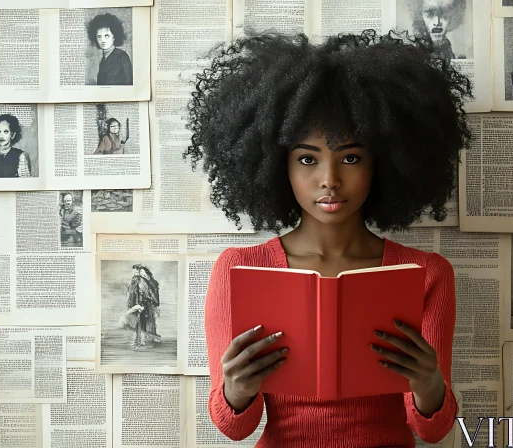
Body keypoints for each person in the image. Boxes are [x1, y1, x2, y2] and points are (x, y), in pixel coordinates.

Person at [187, 29, 470, 446]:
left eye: (351, 158)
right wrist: (236, 389)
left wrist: (430, 383)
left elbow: (433, 429)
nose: (330, 180)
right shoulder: (239, 269)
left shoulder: (426, 273)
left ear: (385, 163)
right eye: (307, 159)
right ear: (274, 165)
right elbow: (235, 428)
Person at [118, 264, 161, 349]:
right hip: (139, 304)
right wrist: (134, 304)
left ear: (145, 272)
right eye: (137, 271)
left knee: (144, 321)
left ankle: (142, 340)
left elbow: (149, 293)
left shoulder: (147, 281)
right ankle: (139, 340)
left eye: (140, 271)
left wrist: (149, 303)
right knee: (139, 321)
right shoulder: (137, 279)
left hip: (145, 304)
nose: (138, 272)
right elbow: (133, 292)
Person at [87, 13, 133, 86]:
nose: (102, 40)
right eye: (99, 36)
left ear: (114, 37)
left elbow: (129, 84)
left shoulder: (122, 57)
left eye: (106, 36)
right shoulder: (103, 61)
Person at [0, 114, 32, 178]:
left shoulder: (20, 156)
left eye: (5, 132)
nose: (1, 136)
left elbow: (25, 183)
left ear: (13, 135)